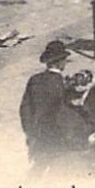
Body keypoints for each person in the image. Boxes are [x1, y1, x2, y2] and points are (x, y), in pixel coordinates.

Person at [20, 41, 71, 172]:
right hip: (56, 135)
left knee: (38, 168)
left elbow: (24, 108)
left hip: (36, 133)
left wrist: (29, 132)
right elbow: (64, 112)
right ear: (60, 62)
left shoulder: (34, 79)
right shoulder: (60, 83)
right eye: (65, 60)